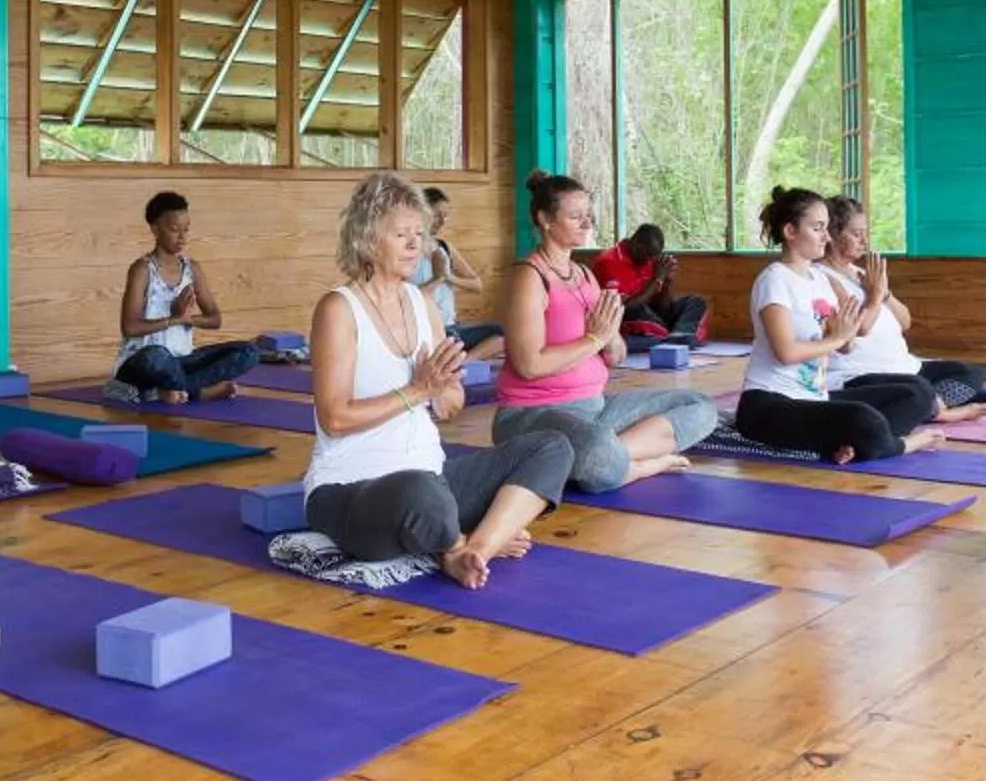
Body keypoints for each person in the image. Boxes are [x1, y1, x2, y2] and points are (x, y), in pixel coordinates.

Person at [304, 174, 574, 589]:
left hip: (432, 475)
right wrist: (418, 390)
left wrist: (445, 387)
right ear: (367, 239)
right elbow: (335, 418)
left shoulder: (422, 303)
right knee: (420, 493)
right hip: (352, 488)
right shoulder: (339, 309)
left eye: (420, 234)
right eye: (401, 234)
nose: (417, 245)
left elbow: (449, 407)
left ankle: (473, 550)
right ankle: (456, 541)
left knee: (552, 445)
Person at [493, 172, 717, 487]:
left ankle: (609, 459)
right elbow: (529, 365)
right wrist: (593, 338)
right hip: (533, 414)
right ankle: (637, 465)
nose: (587, 224)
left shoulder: (584, 275)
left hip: (595, 408)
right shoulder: (529, 276)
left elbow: (615, 356)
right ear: (545, 219)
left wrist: (610, 335)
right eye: (575, 217)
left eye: (589, 216)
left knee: (701, 406)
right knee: (597, 448)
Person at [736, 188, 946, 463]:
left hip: (814, 398)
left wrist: (844, 337)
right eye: (817, 228)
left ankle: (859, 443)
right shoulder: (774, 280)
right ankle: (900, 444)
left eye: (826, 228)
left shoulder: (819, 280)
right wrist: (837, 339)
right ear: (790, 231)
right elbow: (786, 352)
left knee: (915, 392)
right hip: (768, 404)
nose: (826, 236)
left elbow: (844, 345)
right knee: (863, 419)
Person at [819, 197, 986, 421]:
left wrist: (885, 293)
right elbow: (860, 328)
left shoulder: (861, 273)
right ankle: (936, 413)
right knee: (917, 389)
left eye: (865, 233)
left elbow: (905, 321)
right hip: (862, 372)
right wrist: (875, 296)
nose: (865, 241)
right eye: (856, 234)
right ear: (833, 234)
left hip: (905, 365)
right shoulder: (824, 277)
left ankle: (931, 407)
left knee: (970, 374)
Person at [104, 190, 260, 403]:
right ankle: (199, 391)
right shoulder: (141, 270)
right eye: (174, 229)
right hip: (143, 361)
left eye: (186, 230)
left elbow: (215, 319)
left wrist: (189, 319)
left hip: (182, 360)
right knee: (156, 357)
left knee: (248, 352)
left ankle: (169, 391)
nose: (182, 237)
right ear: (155, 229)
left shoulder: (192, 269)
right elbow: (130, 328)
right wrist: (174, 319)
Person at [409, 185, 501, 354]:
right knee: (449, 342)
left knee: (501, 333)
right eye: (437, 215)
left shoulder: (445, 247)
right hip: (423, 331)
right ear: (422, 213)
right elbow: (406, 298)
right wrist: (436, 279)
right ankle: (453, 356)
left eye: (445, 216)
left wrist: (448, 277)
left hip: (452, 328)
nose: (442, 221)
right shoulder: (409, 251)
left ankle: (464, 362)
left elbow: (477, 285)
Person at [593, 222, 709, 342]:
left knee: (695, 302)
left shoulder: (651, 260)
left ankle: (677, 335)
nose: (650, 260)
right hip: (627, 315)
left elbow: (664, 308)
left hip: (652, 315)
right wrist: (656, 279)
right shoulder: (608, 262)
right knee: (638, 310)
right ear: (636, 243)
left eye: (654, 256)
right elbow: (622, 308)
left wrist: (667, 281)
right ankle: (669, 335)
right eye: (648, 254)